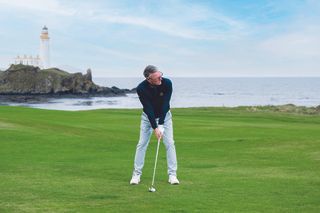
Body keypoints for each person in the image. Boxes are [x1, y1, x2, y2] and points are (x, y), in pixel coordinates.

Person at [130, 65, 179, 185]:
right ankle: (136, 174)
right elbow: (148, 108)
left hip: (165, 116)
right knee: (142, 144)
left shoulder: (167, 83)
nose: (160, 79)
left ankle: (172, 175)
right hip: (147, 118)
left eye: (160, 75)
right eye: (157, 77)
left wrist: (161, 124)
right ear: (149, 79)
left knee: (170, 143)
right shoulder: (141, 88)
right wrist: (155, 127)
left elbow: (165, 104)